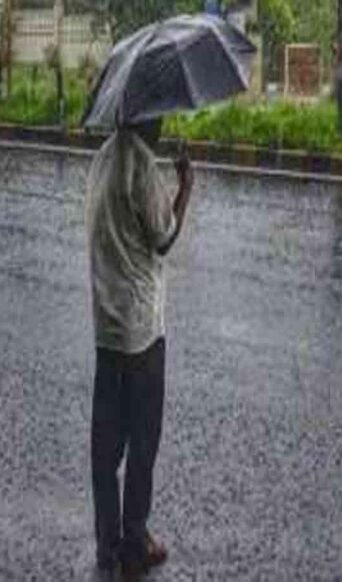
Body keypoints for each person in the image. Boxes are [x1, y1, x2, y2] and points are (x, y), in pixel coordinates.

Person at [85, 118, 194, 580]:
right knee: (143, 443)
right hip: (142, 332)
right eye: (160, 116)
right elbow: (163, 236)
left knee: (105, 448)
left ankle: (107, 545)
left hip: (107, 328)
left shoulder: (103, 159)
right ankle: (136, 542)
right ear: (147, 116)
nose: (164, 123)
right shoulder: (141, 165)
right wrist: (185, 186)